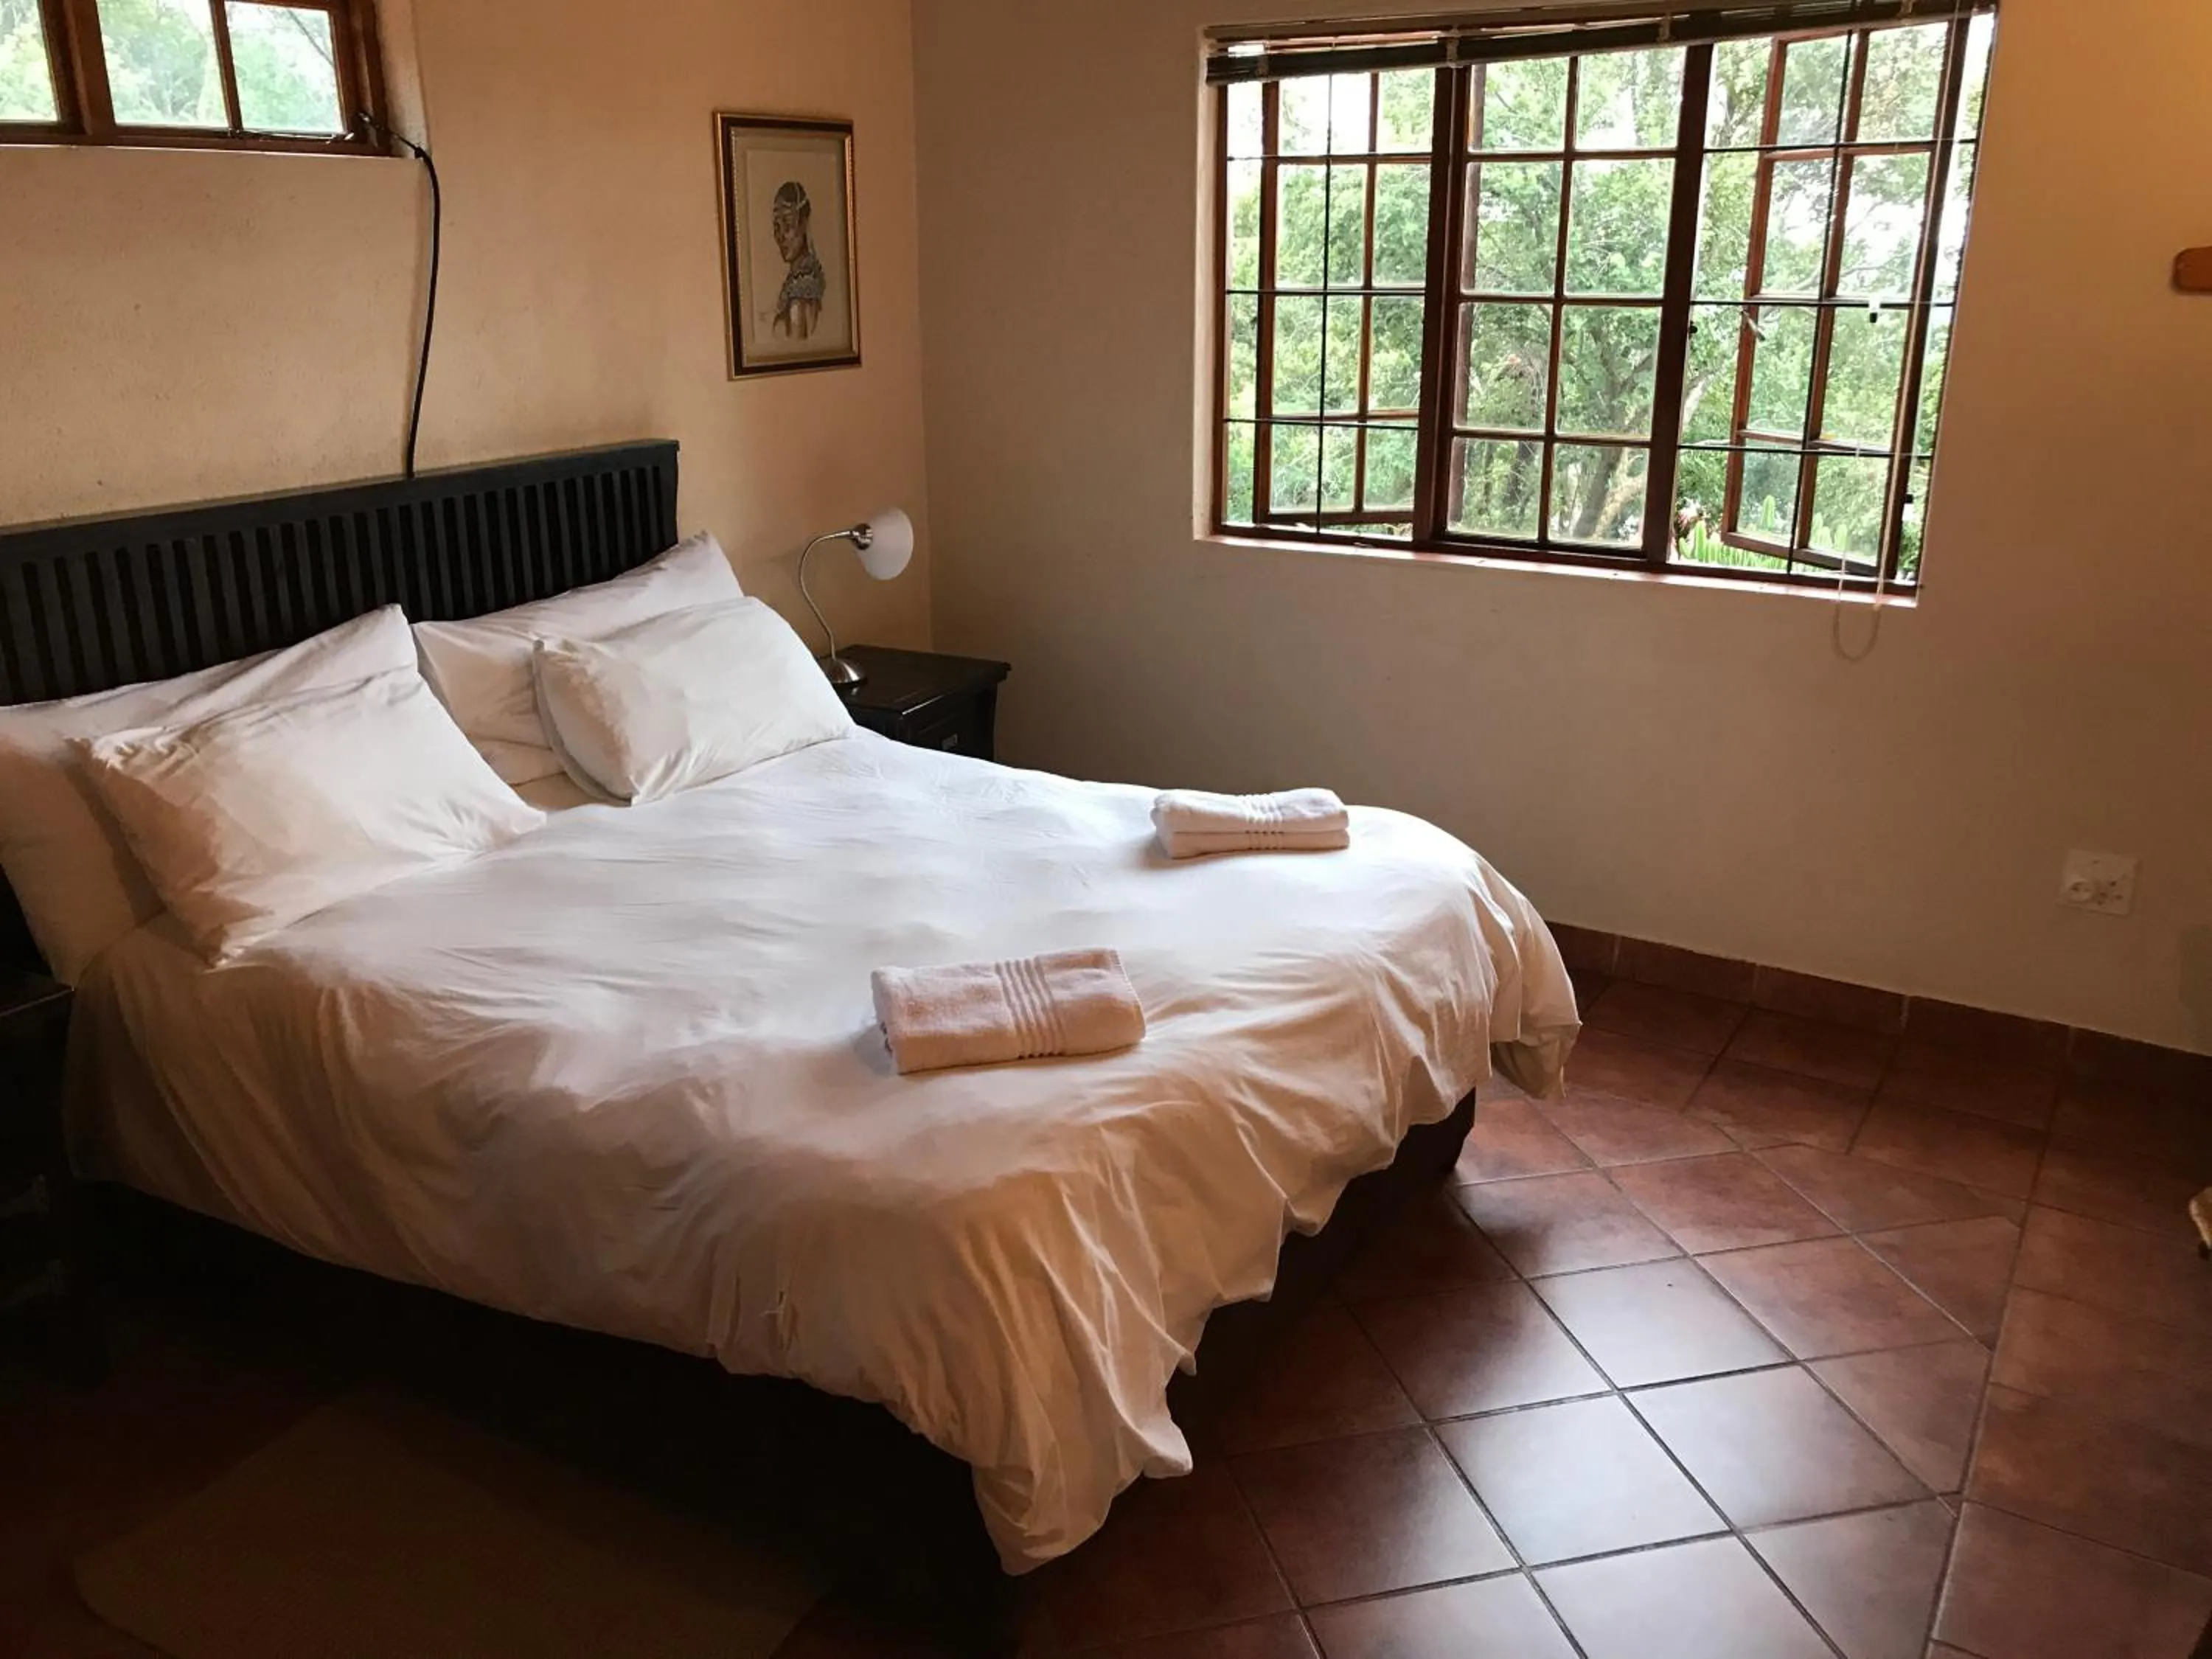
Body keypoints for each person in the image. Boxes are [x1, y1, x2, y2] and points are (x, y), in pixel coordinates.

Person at [771, 181, 826, 341]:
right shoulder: (805, 274)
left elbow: (796, 345)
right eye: (776, 226)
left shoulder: (802, 284)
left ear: (803, 224)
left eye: (788, 225)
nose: (780, 236)